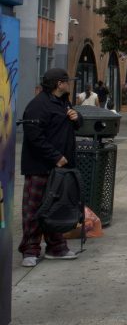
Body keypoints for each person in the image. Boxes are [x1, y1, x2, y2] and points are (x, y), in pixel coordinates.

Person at [18, 67, 84, 266]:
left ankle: (57, 248)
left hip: (60, 169)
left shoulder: (63, 102)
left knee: (56, 208)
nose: (69, 84)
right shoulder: (38, 105)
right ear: (59, 84)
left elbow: (74, 125)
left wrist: (76, 118)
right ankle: (30, 250)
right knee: (34, 209)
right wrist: (56, 156)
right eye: (67, 81)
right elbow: (34, 136)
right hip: (39, 167)